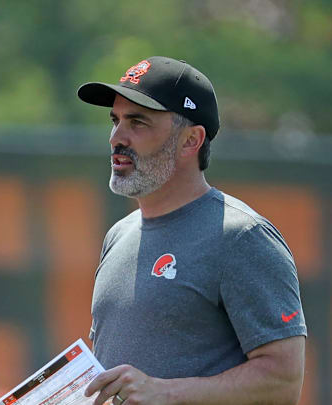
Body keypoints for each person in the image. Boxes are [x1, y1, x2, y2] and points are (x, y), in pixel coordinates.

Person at [77, 56, 306, 405]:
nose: (116, 138)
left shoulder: (242, 236)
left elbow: (283, 381)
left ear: (190, 141)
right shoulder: (119, 235)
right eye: (115, 120)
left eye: (137, 122)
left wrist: (164, 392)